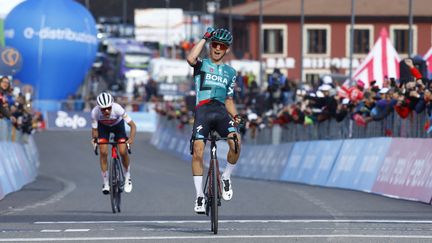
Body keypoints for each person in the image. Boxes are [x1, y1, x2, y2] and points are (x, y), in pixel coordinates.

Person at [186, 27, 243, 214]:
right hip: (202, 110)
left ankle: (226, 177)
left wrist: (235, 116)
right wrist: (204, 38)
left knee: (236, 141)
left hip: (220, 112)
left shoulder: (231, 72)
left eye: (222, 46)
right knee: (198, 151)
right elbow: (190, 59)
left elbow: (229, 100)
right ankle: (199, 196)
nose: (218, 48)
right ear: (211, 46)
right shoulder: (201, 64)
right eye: (215, 44)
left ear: (227, 49)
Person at [91, 92, 136, 194]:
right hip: (103, 128)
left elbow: (133, 125)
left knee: (123, 151)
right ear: (99, 108)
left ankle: (127, 176)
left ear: (112, 105)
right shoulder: (94, 112)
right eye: (103, 109)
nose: (106, 111)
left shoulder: (118, 108)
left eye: (109, 108)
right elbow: (94, 130)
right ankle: (106, 183)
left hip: (118, 127)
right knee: (103, 152)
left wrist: (131, 138)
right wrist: (94, 140)